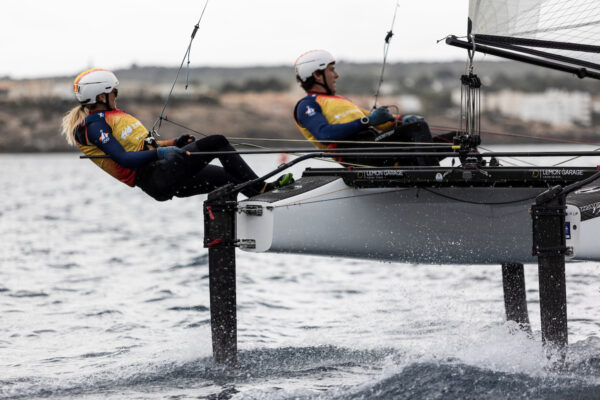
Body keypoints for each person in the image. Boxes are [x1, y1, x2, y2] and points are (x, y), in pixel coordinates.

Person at [61, 68, 292, 201]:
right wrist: (163, 152)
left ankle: (259, 197)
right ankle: (262, 189)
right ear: (101, 96)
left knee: (231, 176)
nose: (116, 95)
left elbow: (144, 147)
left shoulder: (111, 118)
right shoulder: (93, 127)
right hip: (155, 178)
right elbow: (124, 159)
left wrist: (173, 143)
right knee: (217, 142)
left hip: (162, 173)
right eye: (114, 91)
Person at [292, 49, 455, 167]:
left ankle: (472, 175)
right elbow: (324, 134)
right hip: (358, 157)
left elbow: (378, 122)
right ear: (317, 75)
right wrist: (366, 120)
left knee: (459, 139)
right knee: (417, 129)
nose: (336, 75)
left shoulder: (340, 101)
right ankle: (434, 176)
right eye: (331, 70)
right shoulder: (307, 104)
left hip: (376, 147)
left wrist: (400, 120)